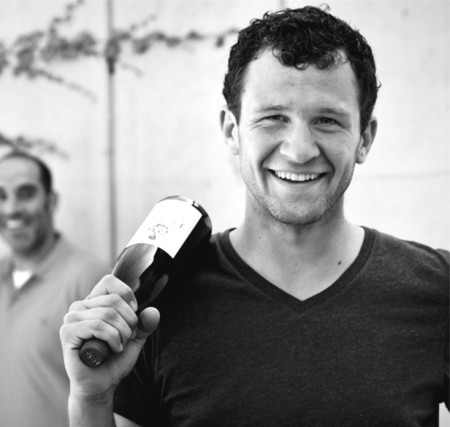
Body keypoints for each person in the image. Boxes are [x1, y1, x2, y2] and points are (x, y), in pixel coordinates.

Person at [60, 6, 449, 427]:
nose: (299, 150)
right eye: (273, 118)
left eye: (327, 120)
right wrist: (91, 399)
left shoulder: (438, 288)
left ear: (364, 138)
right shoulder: (156, 300)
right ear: (232, 131)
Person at [0, 150, 110, 427]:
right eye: (1, 196)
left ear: (51, 201)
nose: (11, 209)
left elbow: (118, 396)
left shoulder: (92, 279)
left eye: (26, 193)